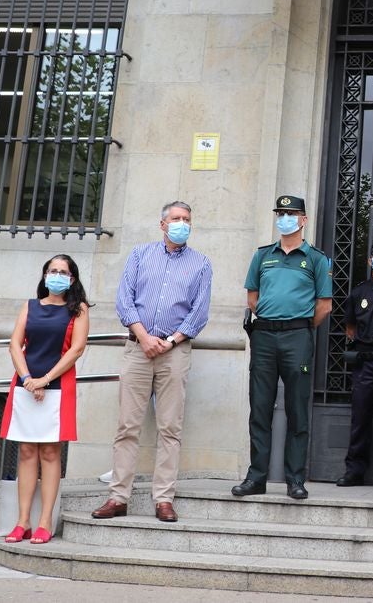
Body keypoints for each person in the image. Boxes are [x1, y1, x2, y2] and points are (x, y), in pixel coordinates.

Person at [93, 201, 213, 524]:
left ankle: (163, 499)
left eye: (187, 219)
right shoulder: (139, 255)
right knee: (127, 427)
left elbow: (199, 314)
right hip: (137, 349)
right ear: (162, 224)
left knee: (170, 429)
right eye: (176, 219)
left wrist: (170, 341)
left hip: (175, 353)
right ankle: (118, 497)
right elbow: (124, 299)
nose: (182, 224)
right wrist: (144, 338)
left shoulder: (201, 264)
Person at [234, 194, 332, 500]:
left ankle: (295, 479)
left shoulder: (315, 258)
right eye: (280, 212)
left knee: (297, 411)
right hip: (264, 337)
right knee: (259, 409)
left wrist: (297, 325)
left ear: (303, 220)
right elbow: (253, 298)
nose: (284, 218)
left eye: (290, 213)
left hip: (298, 336)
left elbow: (324, 306)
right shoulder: (263, 255)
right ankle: (256, 477)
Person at [0, 255, 90, 544]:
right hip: (25, 385)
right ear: (44, 275)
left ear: (72, 279)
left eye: (63, 272)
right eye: (53, 270)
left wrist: (44, 379)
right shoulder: (30, 306)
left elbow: (76, 351)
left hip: (57, 385)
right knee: (26, 451)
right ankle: (22, 520)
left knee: (50, 453)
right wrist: (28, 379)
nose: (57, 275)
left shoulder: (79, 310)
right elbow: (15, 344)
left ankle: (44, 521)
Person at [336, 239, 373, 487]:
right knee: (360, 418)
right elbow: (350, 327)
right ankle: (354, 471)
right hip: (365, 361)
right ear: (370, 261)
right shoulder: (359, 292)